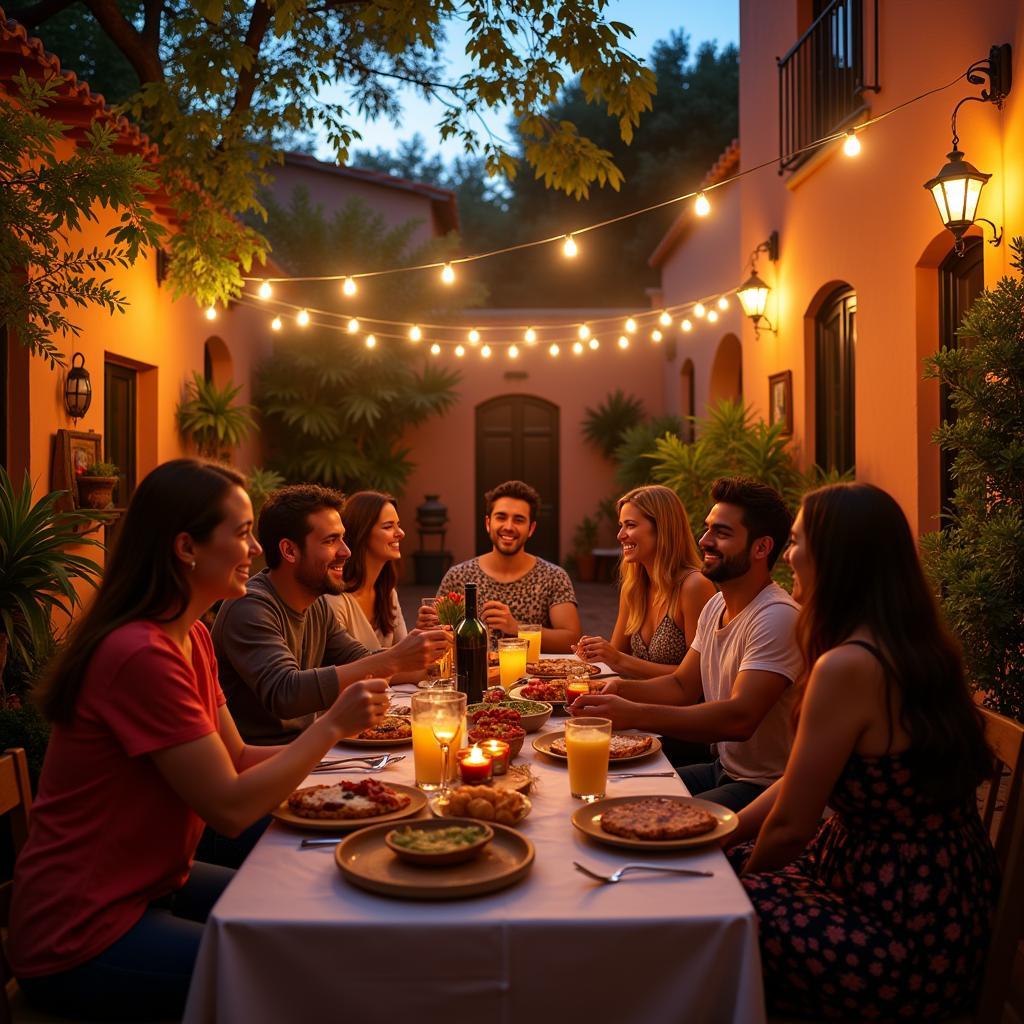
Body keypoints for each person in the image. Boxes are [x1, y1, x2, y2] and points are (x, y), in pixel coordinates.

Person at [9, 460, 389, 1019]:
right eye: (240, 534)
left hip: (154, 884)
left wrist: (356, 768)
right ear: (187, 547)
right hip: (84, 934)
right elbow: (229, 807)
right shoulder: (140, 653)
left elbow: (235, 758)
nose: (256, 549)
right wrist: (332, 727)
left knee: (309, 905)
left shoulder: (192, 638)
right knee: (296, 970)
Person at [725, 483, 998, 1021]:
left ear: (836, 556)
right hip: (939, 898)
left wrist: (738, 883)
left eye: (798, 541)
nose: (787, 555)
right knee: (719, 862)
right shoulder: (911, 642)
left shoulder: (847, 666)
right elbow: (799, 780)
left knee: (714, 904)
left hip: (903, 932)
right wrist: (722, 833)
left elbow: (790, 829)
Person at [572, 477, 802, 810]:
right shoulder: (717, 605)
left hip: (764, 787)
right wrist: (617, 690)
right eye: (707, 529)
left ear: (761, 548)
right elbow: (682, 684)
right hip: (721, 769)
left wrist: (635, 713)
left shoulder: (776, 616)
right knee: (611, 787)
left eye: (721, 533)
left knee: (640, 815)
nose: (704, 540)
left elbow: (739, 719)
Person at [213, 484, 450, 745]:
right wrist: (394, 658)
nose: (345, 552)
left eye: (343, 538)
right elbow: (285, 693)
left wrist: (420, 655)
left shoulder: (315, 603)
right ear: (289, 550)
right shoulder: (250, 606)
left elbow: (359, 659)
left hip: (305, 749)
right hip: (260, 763)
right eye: (330, 541)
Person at [419, 479, 581, 652]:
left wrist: (517, 628)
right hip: (471, 675)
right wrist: (425, 627)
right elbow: (435, 636)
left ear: (531, 528)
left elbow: (571, 640)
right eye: (501, 517)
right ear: (488, 523)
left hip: (532, 678)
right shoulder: (459, 576)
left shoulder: (553, 576)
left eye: (518, 520)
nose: (508, 526)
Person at [574, 485, 716, 677]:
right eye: (621, 525)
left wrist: (616, 658)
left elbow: (697, 676)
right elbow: (617, 659)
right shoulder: (633, 587)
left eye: (630, 525)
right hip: (635, 699)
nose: (620, 535)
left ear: (662, 529)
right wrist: (598, 652)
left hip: (677, 706)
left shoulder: (694, 586)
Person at [324, 490, 409, 651]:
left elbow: (406, 659)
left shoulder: (387, 593)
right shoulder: (335, 600)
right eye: (388, 526)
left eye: (398, 525)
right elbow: (346, 668)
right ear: (362, 532)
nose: (400, 533)